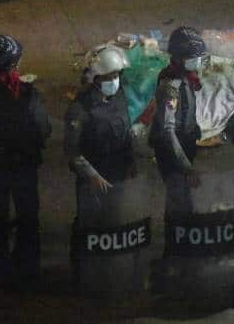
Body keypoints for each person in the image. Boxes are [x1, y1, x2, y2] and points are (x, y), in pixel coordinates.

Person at [0, 34, 52, 292]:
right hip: (23, 168)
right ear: (15, 62)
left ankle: (2, 273)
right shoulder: (28, 95)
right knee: (28, 220)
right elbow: (43, 128)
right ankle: (28, 270)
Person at [64, 44, 136, 291]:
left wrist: (130, 165)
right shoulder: (79, 109)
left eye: (116, 76)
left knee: (113, 226)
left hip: (117, 177)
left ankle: (109, 274)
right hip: (92, 184)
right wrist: (93, 176)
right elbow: (72, 152)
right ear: (95, 79)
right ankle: (82, 277)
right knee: (88, 228)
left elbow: (126, 134)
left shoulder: (119, 99)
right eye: (108, 77)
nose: (114, 81)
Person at [149, 27, 207, 228]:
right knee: (177, 198)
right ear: (181, 57)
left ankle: (186, 239)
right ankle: (173, 250)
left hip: (184, 145)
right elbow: (168, 131)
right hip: (172, 152)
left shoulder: (186, 79)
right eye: (194, 57)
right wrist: (186, 166)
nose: (198, 61)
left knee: (184, 197)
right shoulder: (171, 87)